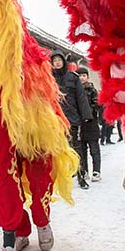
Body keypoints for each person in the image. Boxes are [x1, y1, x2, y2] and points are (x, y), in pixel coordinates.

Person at [51, 51, 94, 189]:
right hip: (54, 119)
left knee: (76, 148)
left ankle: (81, 176)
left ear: (64, 61)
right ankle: (58, 177)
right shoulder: (49, 78)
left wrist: (86, 116)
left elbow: (81, 97)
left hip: (71, 118)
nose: (57, 62)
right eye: (54, 60)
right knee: (55, 149)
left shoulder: (72, 77)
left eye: (59, 60)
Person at [76, 67, 103, 180]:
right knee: (82, 151)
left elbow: (97, 104)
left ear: (87, 77)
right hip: (79, 124)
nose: (82, 78)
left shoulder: (92, 89)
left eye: (83, 76)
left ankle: (96, 171)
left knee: (94, 149)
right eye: (79, 76)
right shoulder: (75, 90)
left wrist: (87, 112)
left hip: (91, 123)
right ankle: (84, 171)